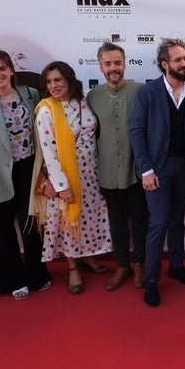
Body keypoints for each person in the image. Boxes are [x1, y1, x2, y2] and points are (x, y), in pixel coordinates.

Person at [0, 49, 51, 301]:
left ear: (12, 70)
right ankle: (12, 279)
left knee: (32, 226)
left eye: (2, 68)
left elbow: (43, 135)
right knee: (0, 231)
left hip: (29, 170)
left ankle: (37, 274)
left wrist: (46, 172)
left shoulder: (31, 95)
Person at [129, 38, 185, 307]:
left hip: (184, 166)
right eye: (178, 60)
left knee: (177, 220)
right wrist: (146, 170)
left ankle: (177, 265)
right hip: (157, 168)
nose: (184, 63)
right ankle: (151, 280)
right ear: (165, 64)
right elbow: (136, 132)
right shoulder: (148, 92)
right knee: (159, 222)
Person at [29, 61, 111, 295]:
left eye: (58, 80)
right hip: (65, 177)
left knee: (87, 219)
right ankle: (73, 266)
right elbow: (49, 153)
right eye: (49, 82)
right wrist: (62, 186)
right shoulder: (46, 110)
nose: (54, 85)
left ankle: (87, 256)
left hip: (91, 175)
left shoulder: (83, 102)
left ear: (69, 80)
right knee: (67, 223)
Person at [87, 42, 148, 291]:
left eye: (117, 63)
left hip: (137, 171)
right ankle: (123, 265)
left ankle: (141, 264)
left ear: (125, 64)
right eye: (108, 64)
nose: (114, 68)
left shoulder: (141, 91)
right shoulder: (93, 96)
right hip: (108, 172)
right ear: (101, 66)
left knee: (141, 220)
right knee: (117, 222)